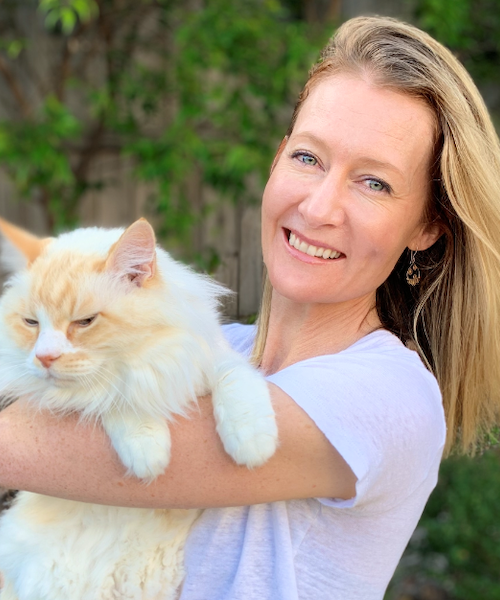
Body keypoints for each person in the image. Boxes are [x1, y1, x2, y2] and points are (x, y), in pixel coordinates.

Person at [1, 15, 500, 600]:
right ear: (277, 160)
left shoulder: (391, 394)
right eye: (308, 158)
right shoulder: (217, 347)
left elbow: (31, 447)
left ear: (427, 227)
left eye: (374, 183)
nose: (318, 208)